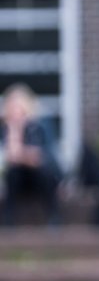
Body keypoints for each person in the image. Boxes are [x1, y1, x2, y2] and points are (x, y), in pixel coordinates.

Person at [0, 83, 61, 226]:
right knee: (13, 173)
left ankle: (54, 217)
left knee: (43, 173)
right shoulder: (5, 129)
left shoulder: (37, 127)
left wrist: (20, 154)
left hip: (38, 178)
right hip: (18, 179)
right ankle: (8, 221)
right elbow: (10, 158)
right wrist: (14, 131)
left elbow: (37, 158)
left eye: (18, 107)